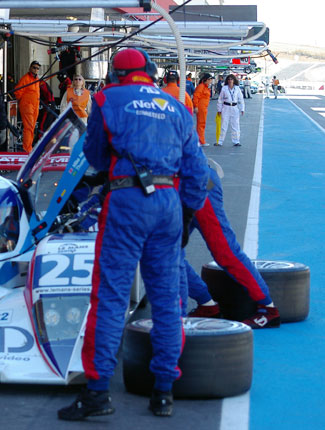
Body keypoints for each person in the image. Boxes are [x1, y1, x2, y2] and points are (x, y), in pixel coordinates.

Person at [57, 48, 208, 421]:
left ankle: (96, 393)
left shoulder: (106, 98)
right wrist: (186, 215)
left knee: (110, 297)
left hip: (126, 198)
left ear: (115, 74)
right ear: (151, 72)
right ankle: (163, 392)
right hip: (170, 202)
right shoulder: (177, 105)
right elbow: (197, 172)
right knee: (167, 298)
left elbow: (93, 155)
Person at [183, 166, 280, 328]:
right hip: (172, 189)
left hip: (197, 184)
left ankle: (268, 309)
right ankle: (207, 305)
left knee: (224, 250)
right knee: (164, 253)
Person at [15, 61, 42, 152]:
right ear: (30, 68)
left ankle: (29, 147)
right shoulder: (25, 79)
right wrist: (24, 101)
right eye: (34, 67)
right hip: (27, 106)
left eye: (37, 68)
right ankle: (26, 149)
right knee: (28, 127)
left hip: (35, 106)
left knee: (32, 127)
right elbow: (17, 92)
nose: (36, 70)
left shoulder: (37, 80)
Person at [216, 74, 245, 147]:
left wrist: (242, 108)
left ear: (234, 80)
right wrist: (219, 109)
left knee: (235, 125)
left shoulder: (237, 88)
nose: (230, 81)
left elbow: (241, 99)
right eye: (229, 79)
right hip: (226, 107)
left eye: (231, 79)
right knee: (223, 125)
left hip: (234, 107)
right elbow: (220, 99)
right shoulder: (224, 88)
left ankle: (236, 141)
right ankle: (220, 141)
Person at [192, 73, 213, 147]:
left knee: (201, 124)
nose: (211, 81)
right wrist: (196, 106)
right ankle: (201, 141)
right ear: (206, 80)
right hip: (201, 107)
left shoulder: (205, 87)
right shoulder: (201, 87)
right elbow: (196, 96)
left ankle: (200, 140)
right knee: (201, 124)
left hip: (203, 107)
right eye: (210, 80)